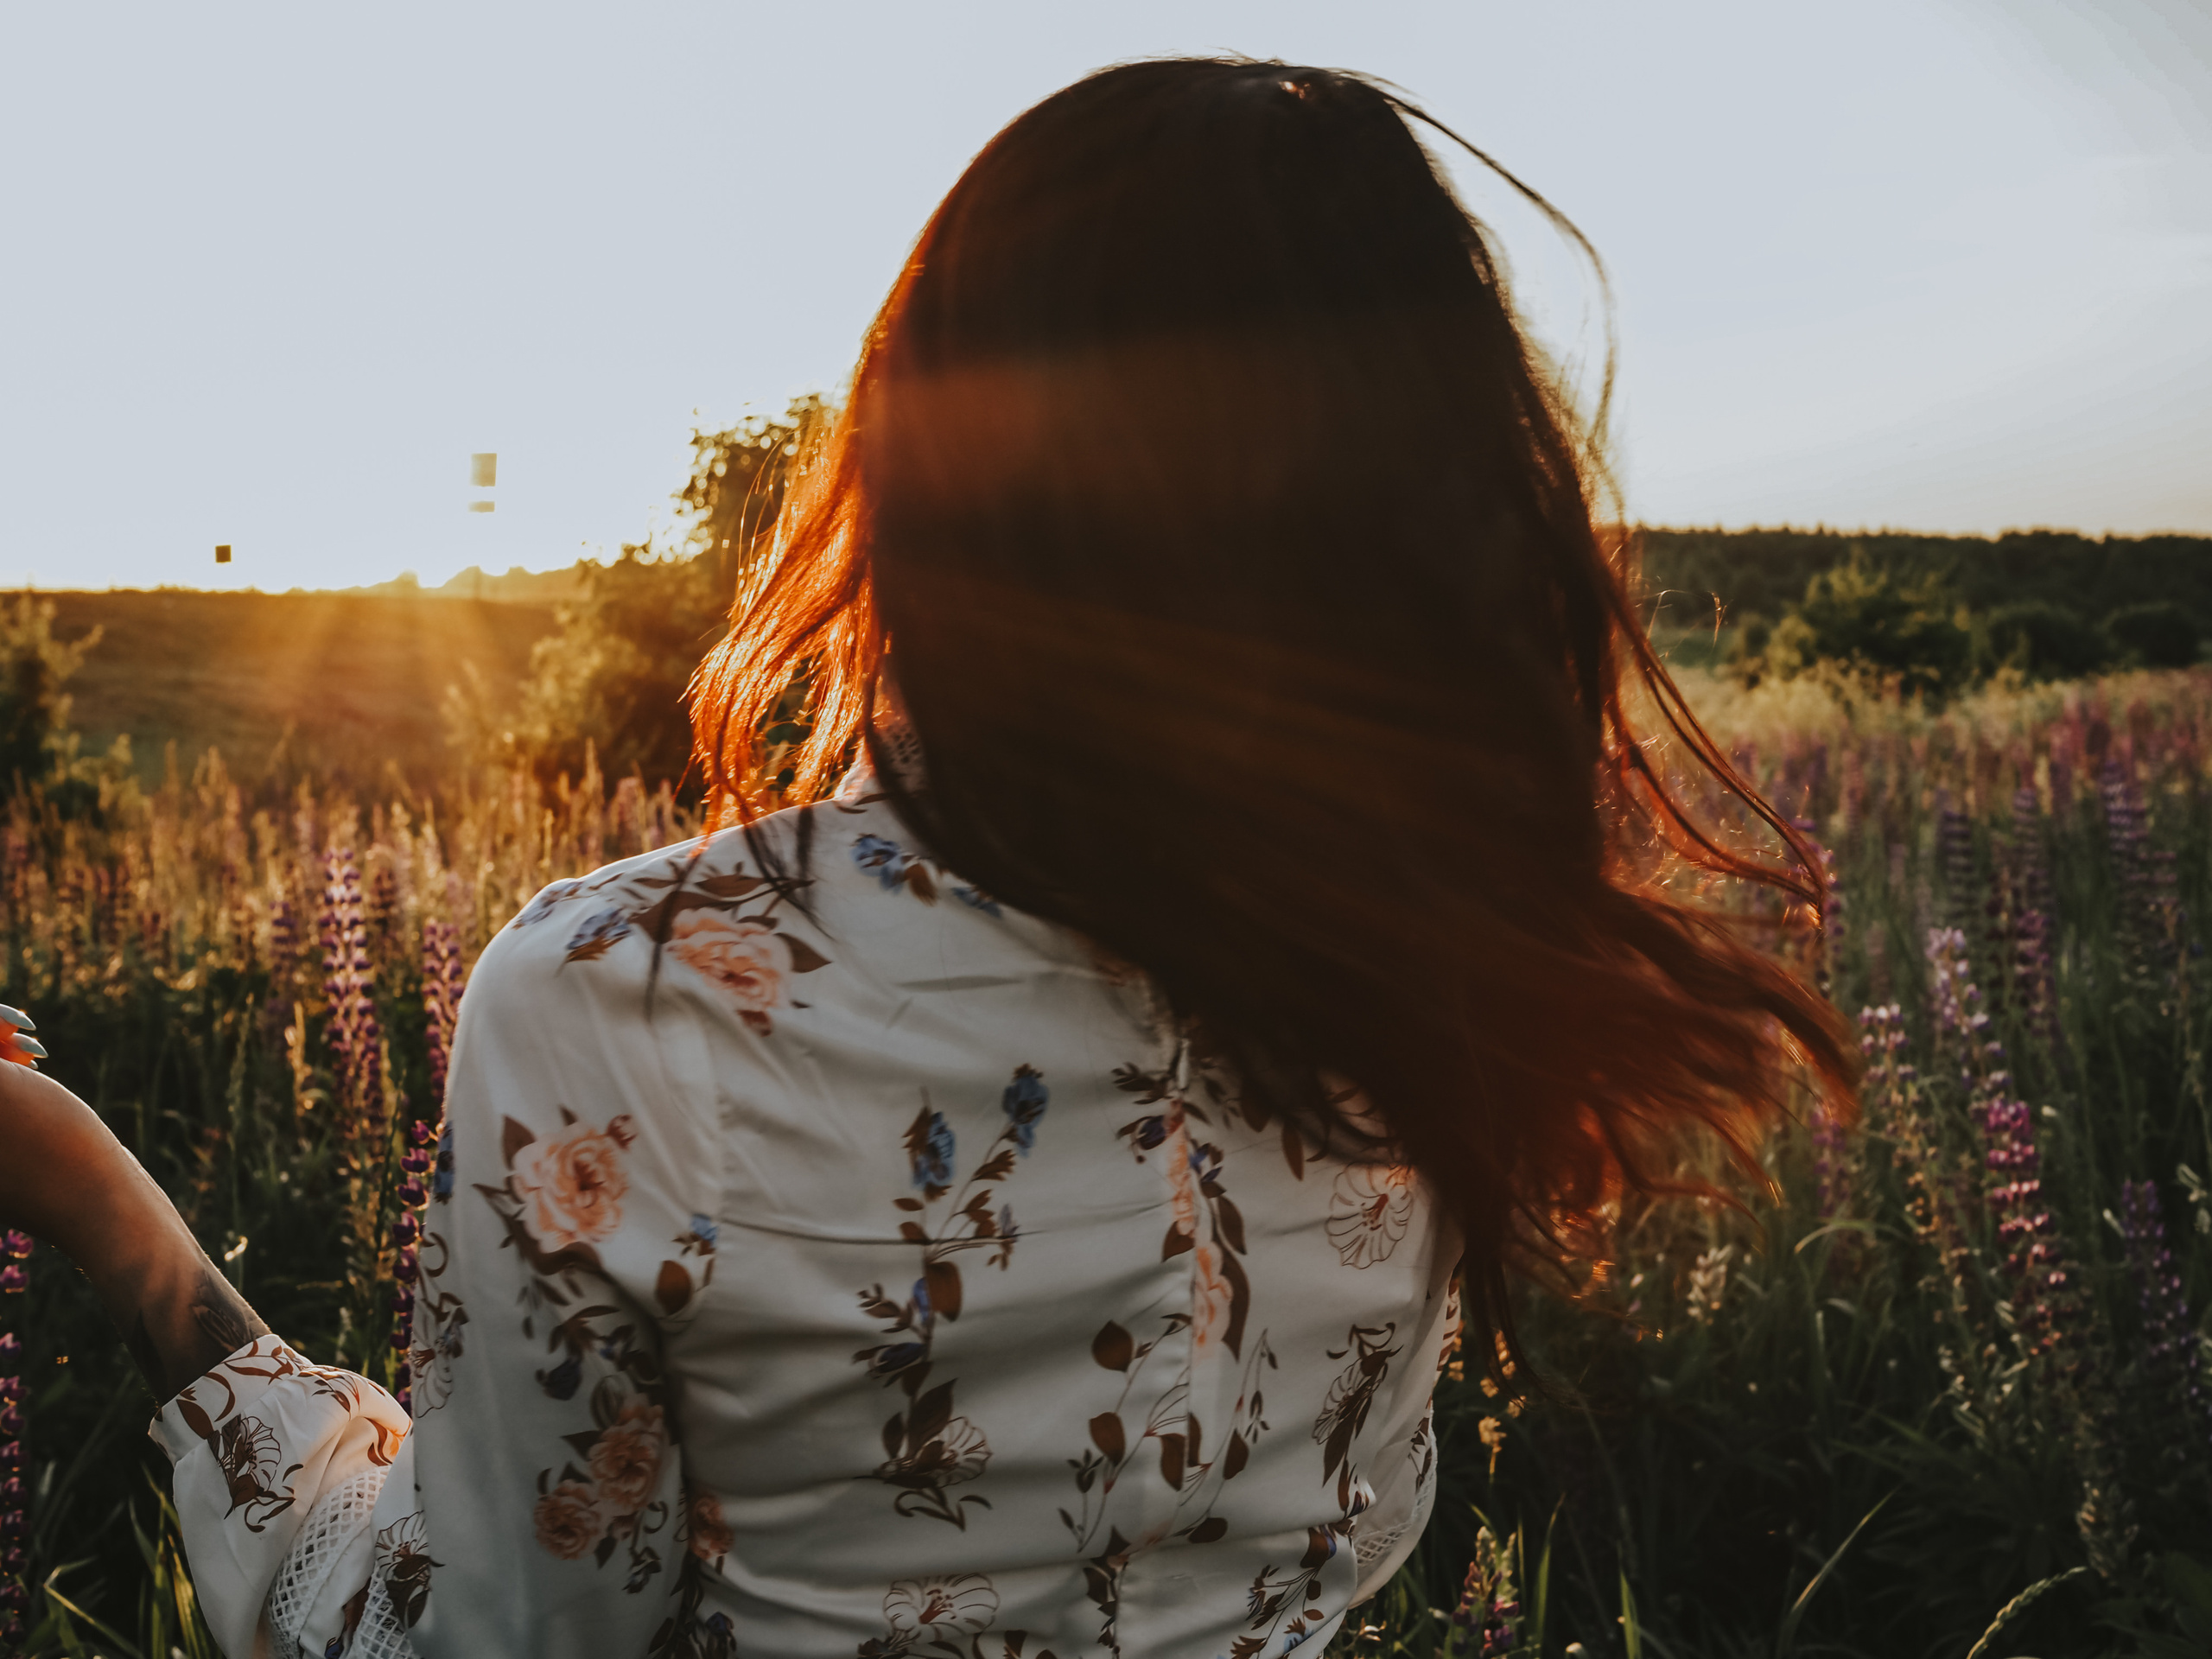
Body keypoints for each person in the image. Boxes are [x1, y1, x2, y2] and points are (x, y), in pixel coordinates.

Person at [0, 57, 1853, 1659]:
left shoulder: (630, 998)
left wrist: (104, 1210)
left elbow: (484, 1633)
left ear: (926, 464)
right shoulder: (1438, 960)